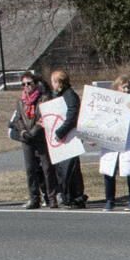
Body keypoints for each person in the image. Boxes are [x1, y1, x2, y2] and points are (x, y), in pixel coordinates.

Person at [98, 76, 130, 211]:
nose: (126, 89)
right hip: (112, 142)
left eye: (127, 86)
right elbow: (100, 122)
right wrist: (95, 136)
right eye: (123, 87)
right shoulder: (109, 104)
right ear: (116, 88)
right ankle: (109, 200)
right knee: (109, 171)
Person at [14, 70, 58, 208]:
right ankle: (34, 198)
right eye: (24, 84)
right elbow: (18, 118)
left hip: (40, 137)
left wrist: (33, 132)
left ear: (35, 84)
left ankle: (52, 198)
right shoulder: (21, 100)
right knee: (30, 169)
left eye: (29, 83)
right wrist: (23, 132)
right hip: (27, 139)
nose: (26, 86)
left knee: (47, 168)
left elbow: (44, 117)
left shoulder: (43, 98)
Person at [45, 69, 90, 208]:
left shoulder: (69, 95)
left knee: (71, 169)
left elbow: (72, 115)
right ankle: (68, 197)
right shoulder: (59, 95)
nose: (51, 84)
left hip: (70, 138)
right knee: (63, 169)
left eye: (53, 81)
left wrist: (60, 132)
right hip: (63, 140)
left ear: (58, 82)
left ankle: (76, 197)